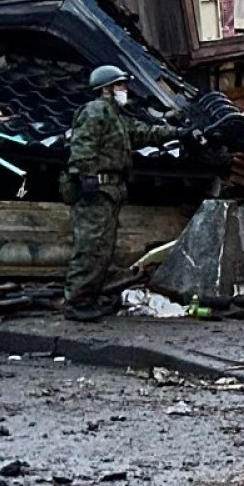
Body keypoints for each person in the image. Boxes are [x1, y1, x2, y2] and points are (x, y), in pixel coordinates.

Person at [61, 65, 187, 321]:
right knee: (91, 247)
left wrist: (176, 133)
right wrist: (85, 175)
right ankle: (77, 302)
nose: (124, 90)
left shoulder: (115, 116)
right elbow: (83, 144)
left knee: (102, 248)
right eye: (119, 85)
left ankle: (89, 299)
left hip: (110, 190)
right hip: (96, 189)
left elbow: (141, 132)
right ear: (105, 89)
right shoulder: (96, 110)